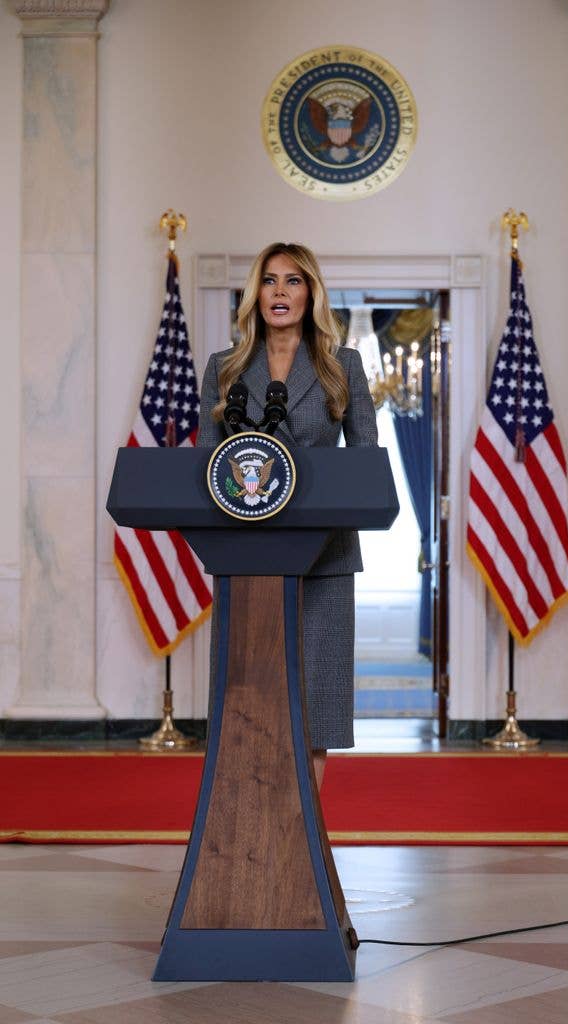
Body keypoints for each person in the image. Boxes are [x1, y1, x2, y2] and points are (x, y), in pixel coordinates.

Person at [197, 242, 378, 787]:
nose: (280, 291)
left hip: (325, 561)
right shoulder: (224, 369)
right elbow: (203, 467)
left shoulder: (342, 366)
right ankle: (248, 825)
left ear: (310, 293)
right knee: (248, 708)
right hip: (246, 560)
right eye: (270, 280)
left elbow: (366, 463)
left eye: (293, 280)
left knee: (316, 713)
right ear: (256, 294)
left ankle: (306, 831)